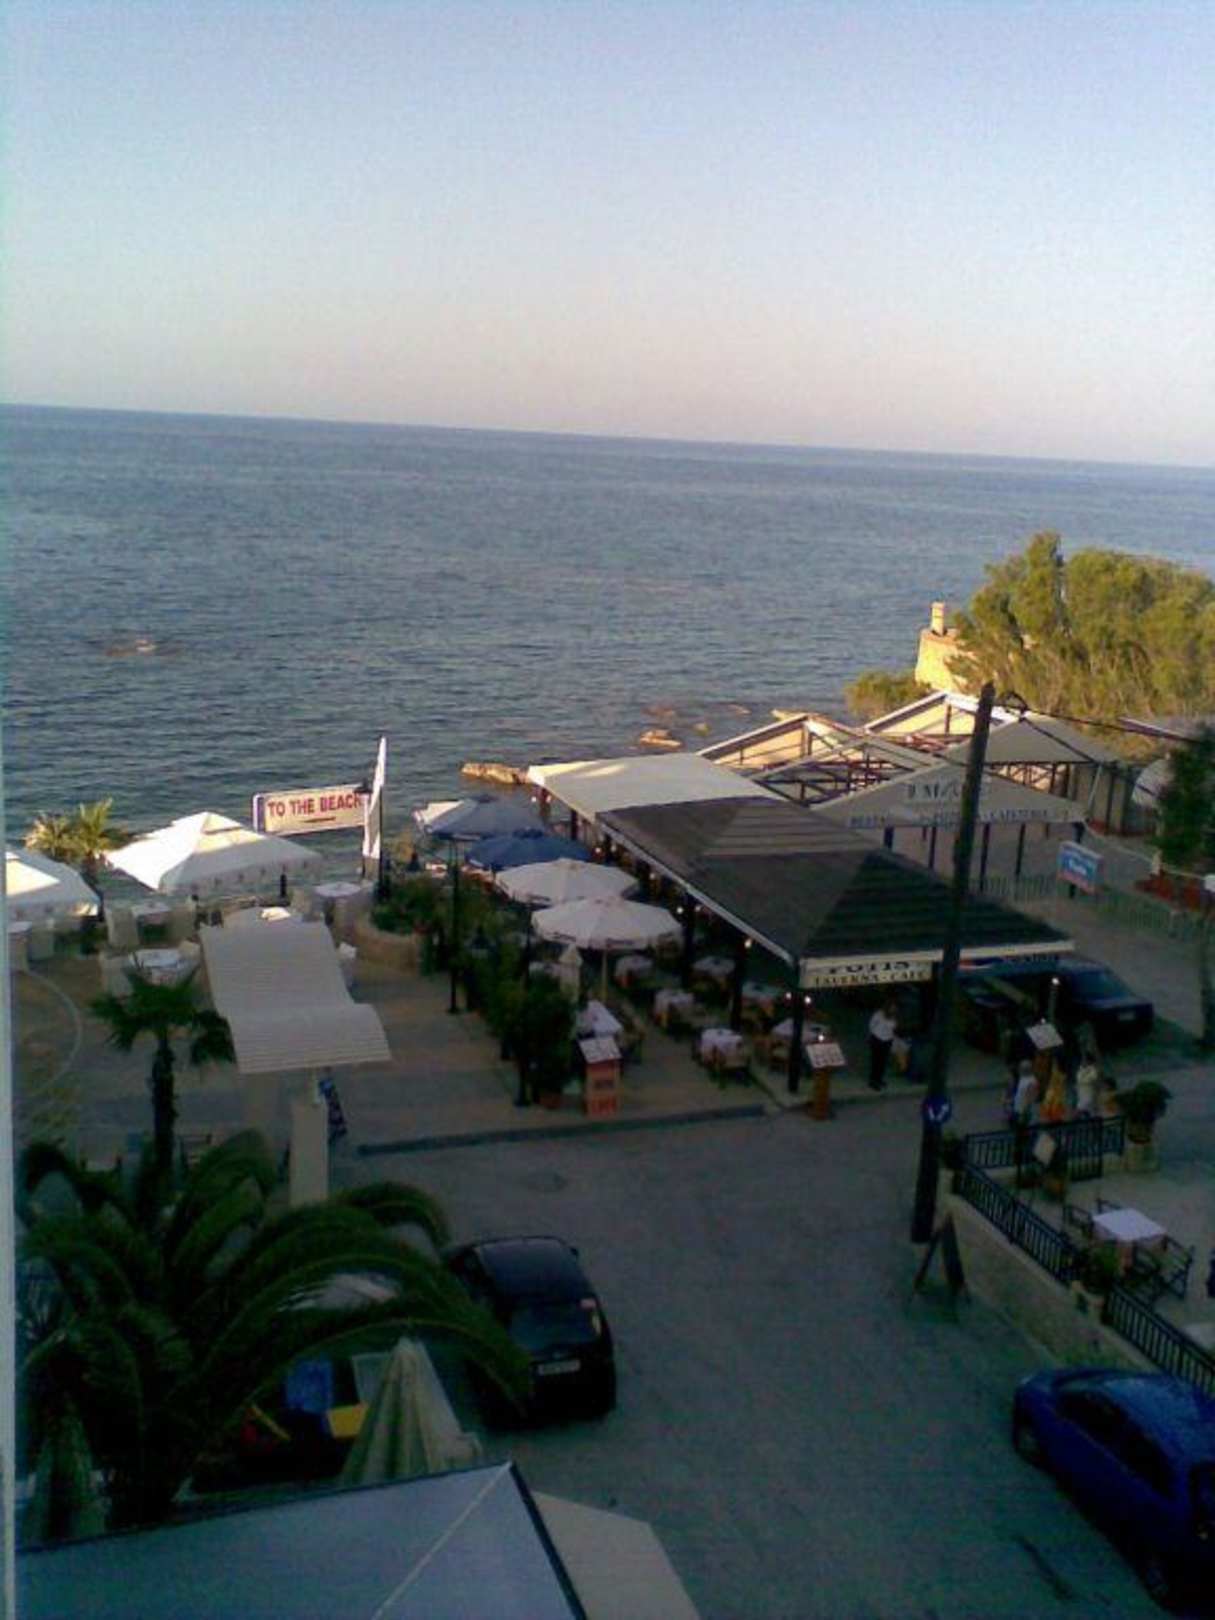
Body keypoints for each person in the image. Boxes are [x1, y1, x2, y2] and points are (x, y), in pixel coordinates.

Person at [867, 999, 898, 1091]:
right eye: (892, 1007)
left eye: (894, 1008)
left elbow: (893, 1028)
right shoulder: (878, 1014)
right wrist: (873, 1035)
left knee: (883, 1062)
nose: (893, 1009)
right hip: (877, 1039)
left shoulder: (893, 1017)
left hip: (887, 1040)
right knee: (876, 1061)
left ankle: (879, 1079)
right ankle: (873, 1081)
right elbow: (871, 1025)